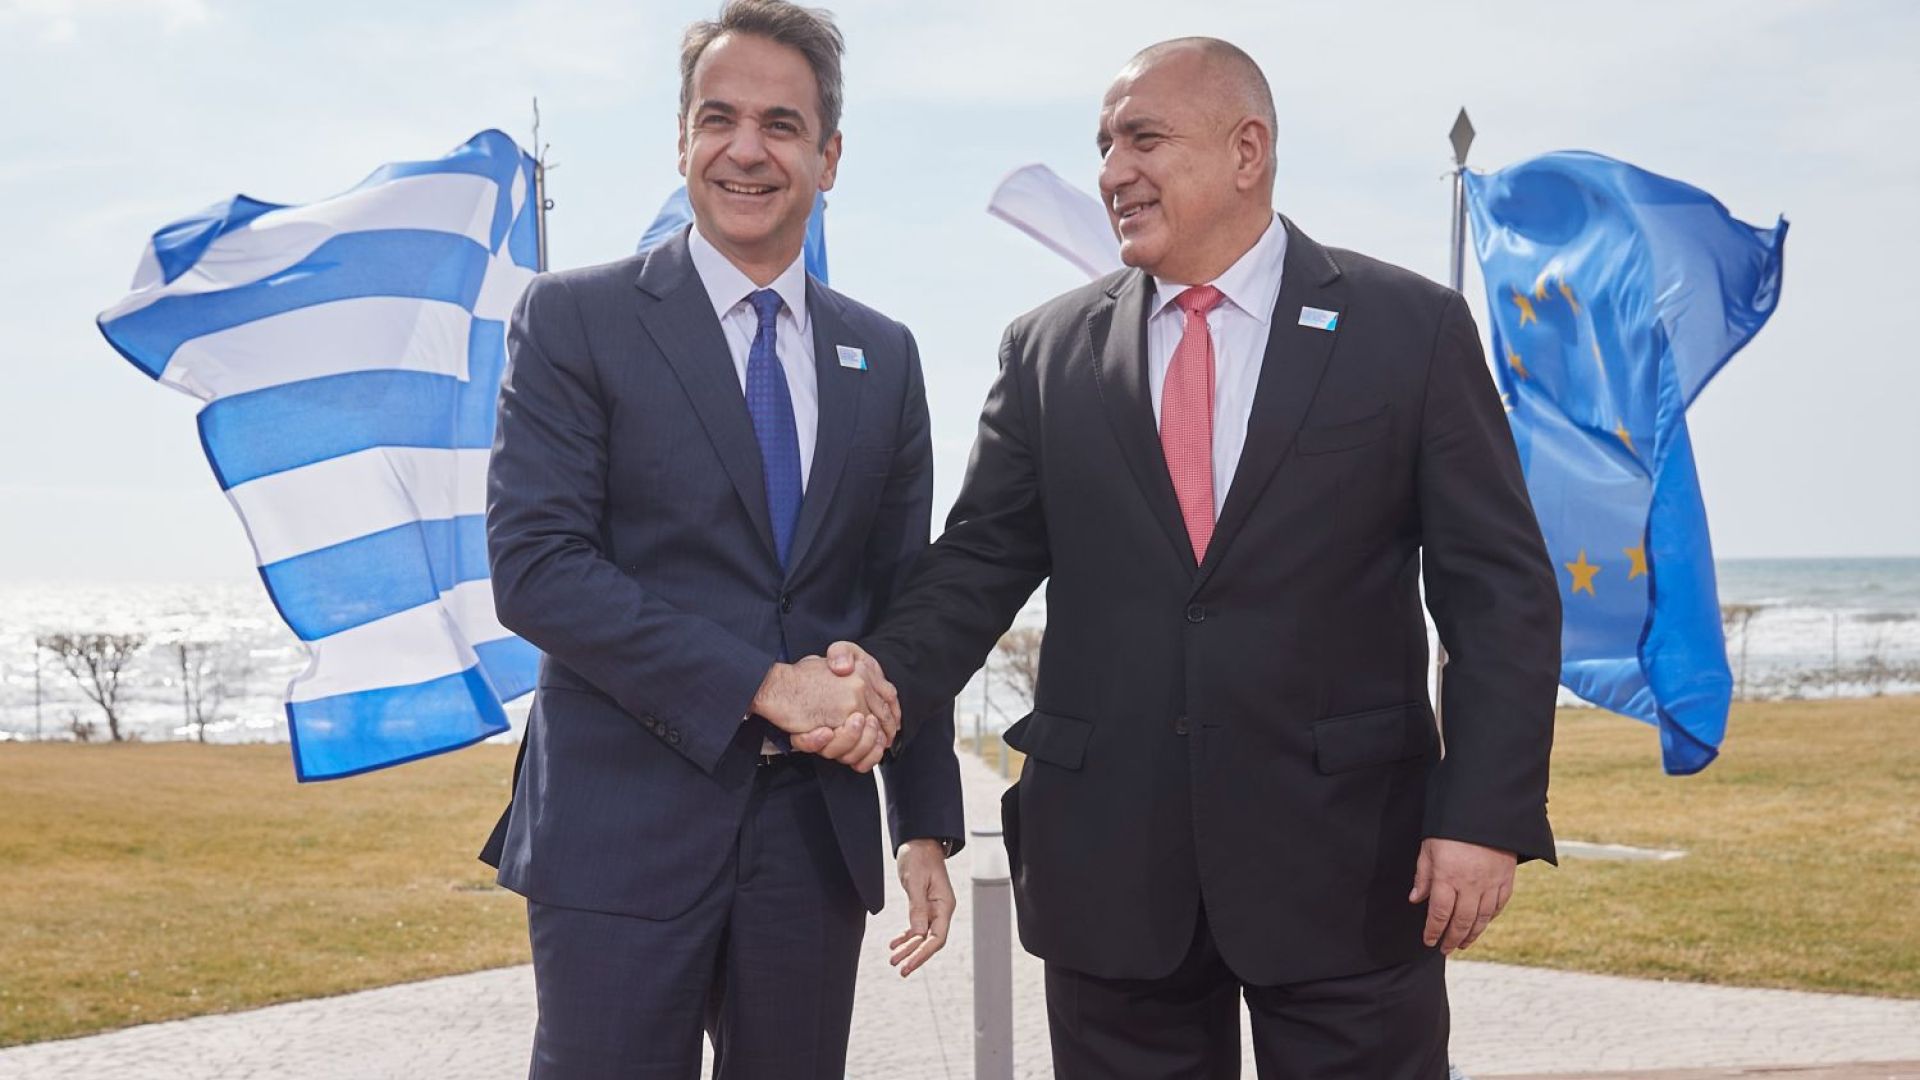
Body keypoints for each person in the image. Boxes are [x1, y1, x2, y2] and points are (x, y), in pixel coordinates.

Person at [852, 37, 1561, 1078]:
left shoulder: (1409, 329)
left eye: (1143, 139)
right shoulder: (1045, 351)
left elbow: (1498, 593)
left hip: (1349, 870)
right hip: (1110, 879)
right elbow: (975, 567)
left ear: (1246, 150)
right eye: (1104, 145)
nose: (1112, 172)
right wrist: (873, 681)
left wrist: (1485, 816)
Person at [479, 3, 964, 1076]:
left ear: (829, 157)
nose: (746, 149)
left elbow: (902, 600)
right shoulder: (573, 319)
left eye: (781, 125)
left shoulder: (884, 356)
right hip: (618, 831)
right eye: (718, 119)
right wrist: (767, 686)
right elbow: (537, 569)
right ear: (682, 140)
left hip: (812, 846)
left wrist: (923, 820)